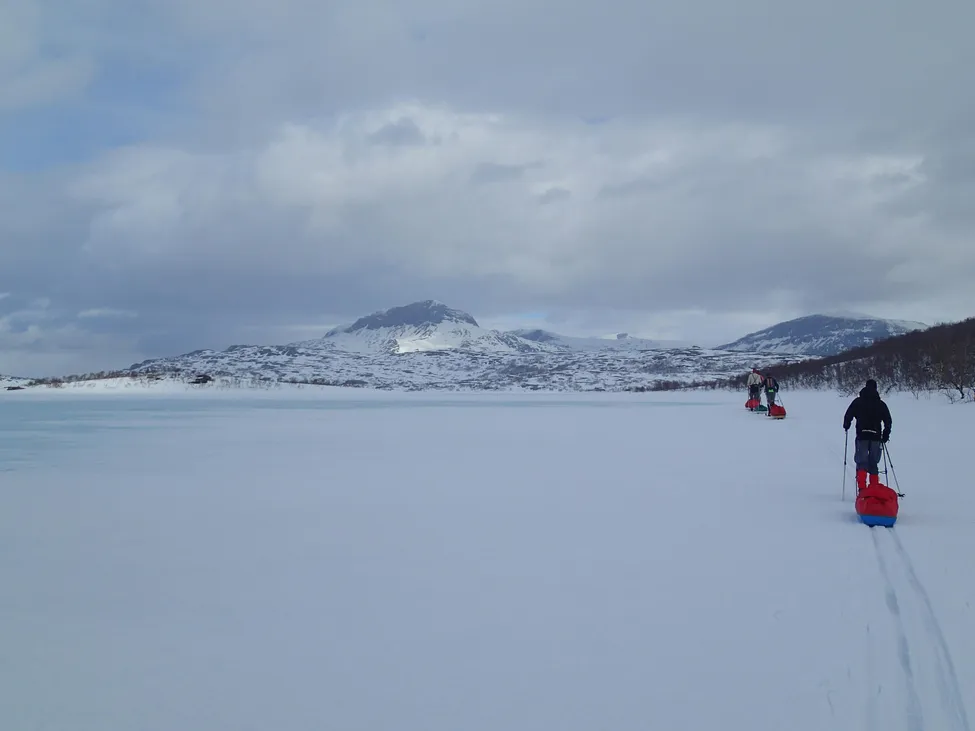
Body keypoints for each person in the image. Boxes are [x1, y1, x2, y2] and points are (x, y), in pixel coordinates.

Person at [843, 378, 892, 493]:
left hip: (862, 435)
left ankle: (862, 488)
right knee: (873, 463)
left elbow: (848, 414)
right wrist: (886, 434)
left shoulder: (858, 402)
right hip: (876, 437)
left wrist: (846, 425)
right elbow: (888, 421)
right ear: (875, 388)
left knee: (862, 462)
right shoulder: (881, 404)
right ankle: (874, 488)